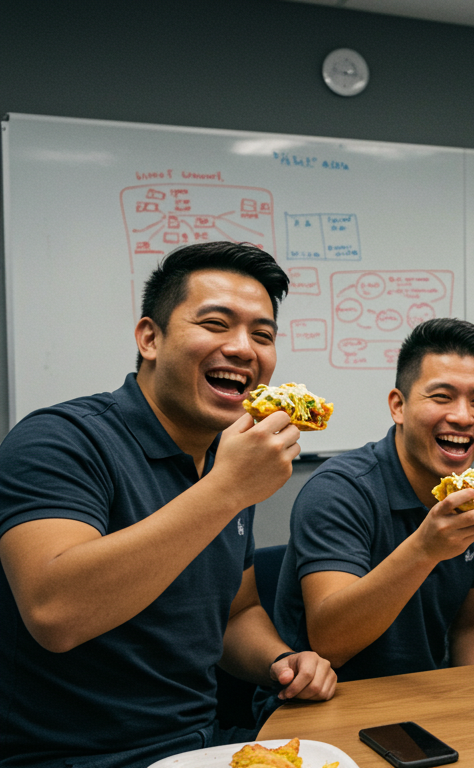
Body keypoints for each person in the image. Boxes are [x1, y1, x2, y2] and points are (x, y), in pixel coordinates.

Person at [0, 242, 335, 768]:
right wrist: (226, 489)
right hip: (72, 757)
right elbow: (54, 611)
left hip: (200, 746)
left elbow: (235, 613)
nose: (244, 348)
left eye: (262, 334)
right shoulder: (60, 441)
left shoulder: (223, 459)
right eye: (216, 323)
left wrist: (282, 660)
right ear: (150, 338)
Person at [265, 319, 474, 695]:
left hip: (422, 699)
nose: (463, 416)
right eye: (441, 397)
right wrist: (425, 550)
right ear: (398, 406)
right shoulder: (340, 491)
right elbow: (332, 643)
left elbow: (469, 626)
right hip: (320, 709)